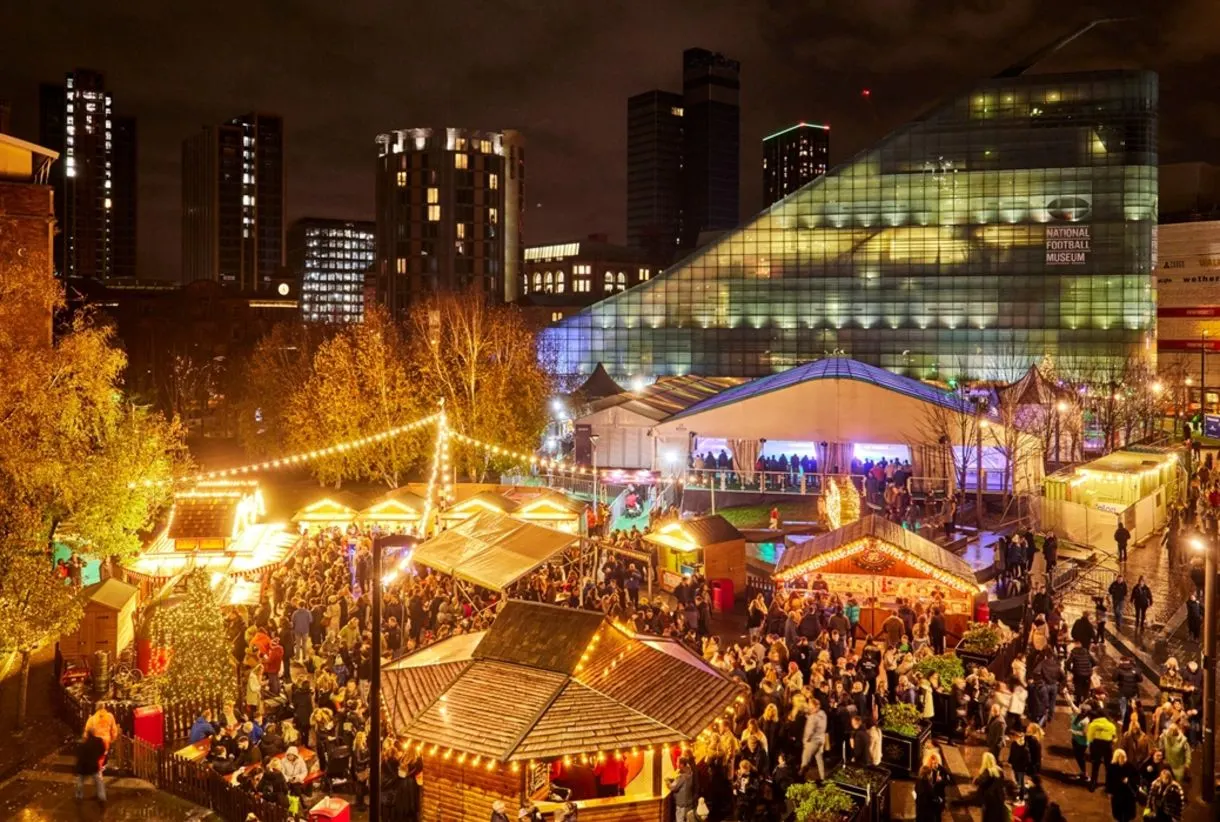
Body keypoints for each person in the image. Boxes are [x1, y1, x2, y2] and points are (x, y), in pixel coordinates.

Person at [915, 750, 951, 822]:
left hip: (937, 797)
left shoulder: (942, 770)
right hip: (929, 803)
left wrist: (941, 781)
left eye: (936, 762)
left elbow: (948, 781)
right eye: (933, 763)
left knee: (937, 816)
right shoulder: (927, 771)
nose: (934, 765)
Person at [971, 752, 1008, 822]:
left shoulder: (987, 772)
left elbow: (978, 782)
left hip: (989, 801)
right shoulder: (999, 770)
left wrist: (977, 777)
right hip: (999, 798)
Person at [1086, 710, 1118, 790]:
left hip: (1096, 745)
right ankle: (1109, 784)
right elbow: (1115, 738)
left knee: (1095, 766)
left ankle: (1093, 784)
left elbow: (1089, 738)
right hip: (1108, 746)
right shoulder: (1111, 725)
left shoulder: (1093, 725)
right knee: (1108, 766)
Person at [74, 730, 107, 803]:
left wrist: (77, 767)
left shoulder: (83, 744)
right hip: (94, 765)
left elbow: (80, 756)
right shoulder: (98, 742)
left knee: (80, 782)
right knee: (99, 782)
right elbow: (102, 750)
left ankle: (79, 796)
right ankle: (102, 796)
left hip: (83, 766)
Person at [1106, 748, 1137, 822]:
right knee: (1118, 813)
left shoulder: (1129, 766)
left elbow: (1136, 777)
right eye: (1121, 756)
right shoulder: (1112, 767)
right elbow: (1108, 780)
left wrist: (1129, 780)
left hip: (1127, 794)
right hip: (1117, 793)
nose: (1123, 758)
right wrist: (1109, 792)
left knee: (1127, 813)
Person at [801, 697, 827, 780]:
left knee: (805, 761)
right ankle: (823, 777)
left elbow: (809, 731)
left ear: (816, 707)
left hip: (812, 741)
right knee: (819, 760)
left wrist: (805, 741)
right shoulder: (823, 714)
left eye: (811, 707)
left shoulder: (813, 718)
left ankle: (801, 778)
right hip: (821, 740)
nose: (810, 709)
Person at [667, 757, 695, 822]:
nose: (676, 764)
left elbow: (673, 787)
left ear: (682, 765)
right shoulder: (690, 772)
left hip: (681, 804)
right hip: (688, 803)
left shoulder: (682, 776)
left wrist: (667, 782)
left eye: (677, 762)